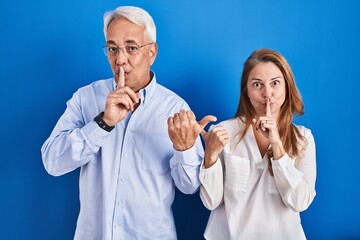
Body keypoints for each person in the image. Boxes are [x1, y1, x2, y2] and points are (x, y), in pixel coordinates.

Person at [41, 6, 215, 240]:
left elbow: (190, 186)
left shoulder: (176, 109)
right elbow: (52, 161)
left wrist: (183, 149)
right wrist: (103, 123)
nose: (120, 60)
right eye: (112, 49)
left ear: (152, 53)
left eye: (131, 48)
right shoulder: (86, 98)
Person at [174, 48, 316, 239]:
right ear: (246, 92)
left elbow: (300, 202)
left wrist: (277, 144)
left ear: (287, 87)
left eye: (275, 83)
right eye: (257, 84)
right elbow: (211, 202)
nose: (267, 93)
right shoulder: (225, 131)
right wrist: (210, 156)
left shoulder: (303, 138)